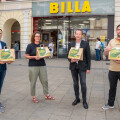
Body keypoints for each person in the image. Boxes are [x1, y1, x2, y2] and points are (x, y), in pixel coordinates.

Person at [25, 31, 55, 103]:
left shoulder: (42, 45)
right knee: (33, 81)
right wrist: (34, 57)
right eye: (36, 36)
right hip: (33, 66)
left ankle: (46, 94)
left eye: (39, 36)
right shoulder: (30, 46)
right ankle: (34, 96)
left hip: (42, 65)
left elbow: (47, 54)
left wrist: (45, 55)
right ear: (34, 37)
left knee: (45, 81)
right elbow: (26, 56)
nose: (38, 38)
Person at [68, 29, 91, 109]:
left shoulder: (86, 44)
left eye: (79, 34)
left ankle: (84, 101)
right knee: (75, 83)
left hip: (82, 67)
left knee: (83, 83)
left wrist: (88, 68)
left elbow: (88, 57)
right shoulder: (71, 44)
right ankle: (77, 98)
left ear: (82, 35)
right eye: (76, 34)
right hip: (73, 67)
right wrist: (70, 59)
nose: (78, 35)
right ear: (75, 35)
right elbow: (68, 56)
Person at [102, 24, 120, 110]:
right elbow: (104, 55)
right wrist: (106, 50)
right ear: (116, 31)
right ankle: (110, 104)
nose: (119, 31)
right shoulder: (112, 41)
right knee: (112, 88)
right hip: (112, 70)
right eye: (118, 29)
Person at [0, 29, 12, 113]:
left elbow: (7, 56)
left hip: (3, 69)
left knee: (0, 87)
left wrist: (9, 60)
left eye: (0, 33)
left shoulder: (3, 44)